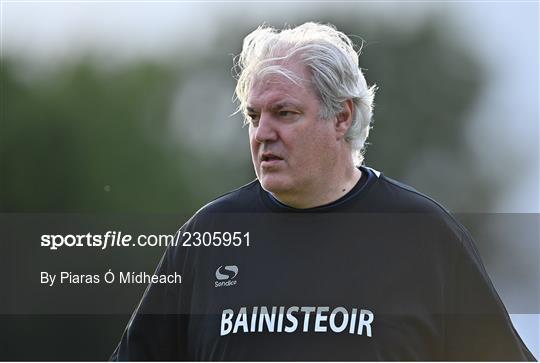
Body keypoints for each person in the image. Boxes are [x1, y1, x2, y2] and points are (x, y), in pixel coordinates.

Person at [110, 22, 535, 361]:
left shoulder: (424, 236)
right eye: (254, 116)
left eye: (285, 113)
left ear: (342, 118)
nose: (263, 133)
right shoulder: (208, 237)